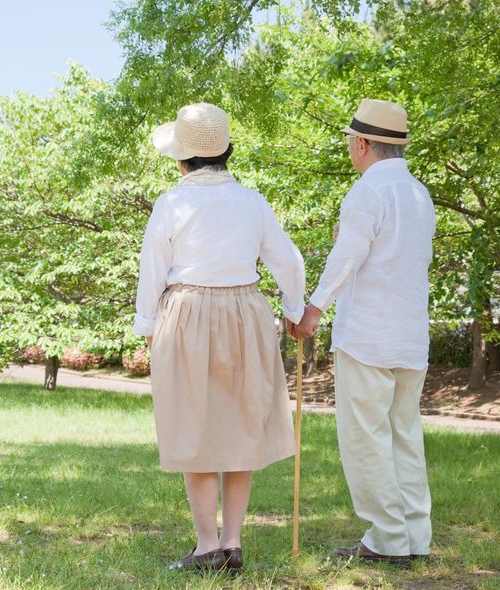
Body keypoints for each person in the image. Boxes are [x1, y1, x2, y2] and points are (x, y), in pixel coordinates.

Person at [133, 102, 306, 572]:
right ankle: (231, 542)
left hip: (187, 311)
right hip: (244, 311)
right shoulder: (252, 201)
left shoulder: (173, 202)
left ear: (181, 158)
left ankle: (209, 544)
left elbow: (152, 270)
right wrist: (295, 310)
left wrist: (146, 327)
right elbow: (289, 262)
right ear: (226, 151)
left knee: (195, 426)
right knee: (240, 424)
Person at [290, 98, 436, 567]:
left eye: (352, 142)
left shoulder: (368, 192)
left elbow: (347, 256)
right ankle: (416, 534)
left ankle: (389, 538)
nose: (351, 149)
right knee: (404, 435)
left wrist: (313, 309)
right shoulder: (419, 194)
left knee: (366, 437)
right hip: (410, 336)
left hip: (369, 335)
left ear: (363, 144)